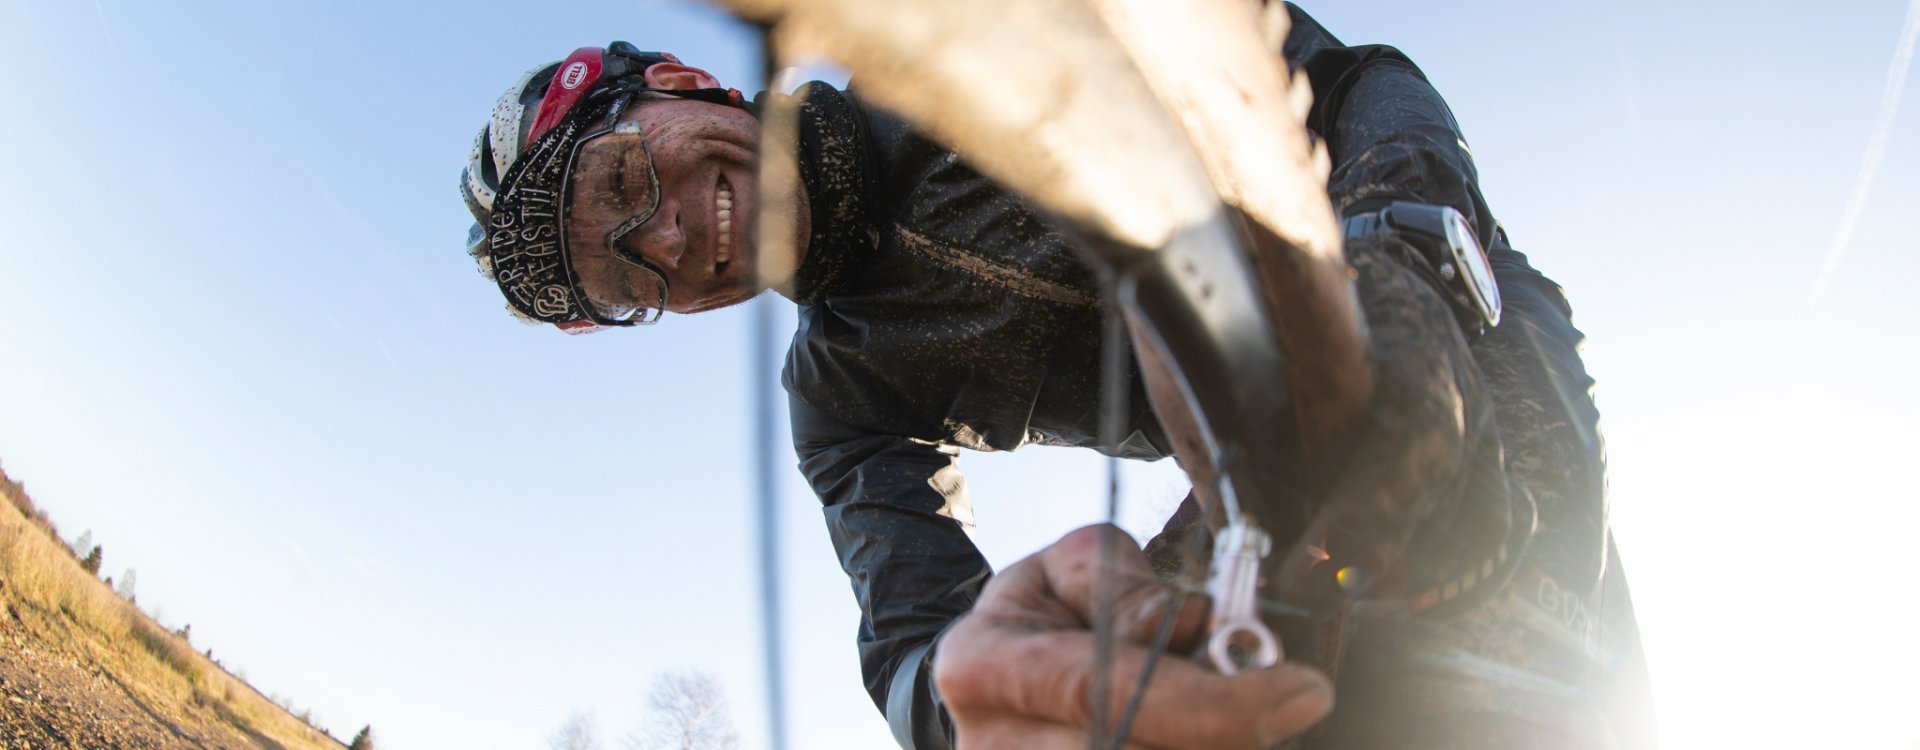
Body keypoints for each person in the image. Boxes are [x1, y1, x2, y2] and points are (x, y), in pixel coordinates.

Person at [458, 5, 1657, 748]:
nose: (661, 242)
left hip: (1448, 309)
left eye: (620, 184)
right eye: (625, 284)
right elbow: (916, 643)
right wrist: (982, 703)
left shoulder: (971, 32)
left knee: (1506, 671)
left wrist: (1405, 251)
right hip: (1249, 478)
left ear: (675, 83)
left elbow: (1349, 80)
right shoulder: (841, 400)